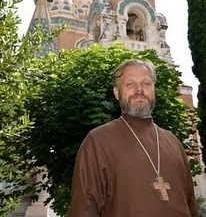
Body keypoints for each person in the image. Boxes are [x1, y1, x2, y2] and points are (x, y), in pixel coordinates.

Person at [67, 59, 198, 217]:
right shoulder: (98, 141)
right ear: (117, 93)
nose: (139, 90)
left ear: (154, 89)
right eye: (130, 84)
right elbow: (84, 208)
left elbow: (190, 204)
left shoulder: (173, 142)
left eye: (146, 83)